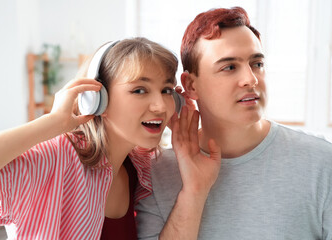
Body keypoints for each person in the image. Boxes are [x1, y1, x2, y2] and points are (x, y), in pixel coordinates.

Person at [135, 7, 332, 240]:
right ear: (191, 86)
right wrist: (194, 192)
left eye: (257, 64)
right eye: (229, 67)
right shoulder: (155, 174)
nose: (250, 79)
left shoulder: (321, 162)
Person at [0, 37, 184, 240]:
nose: (160, 106)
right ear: (96, 99)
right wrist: (51, 123)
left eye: (166, 90)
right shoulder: (56, 158)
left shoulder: (139, 168)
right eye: (139, 90)